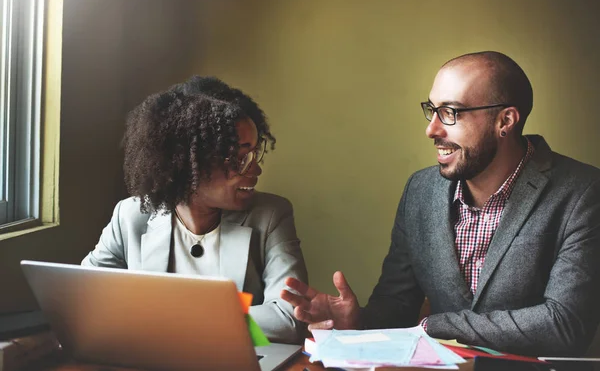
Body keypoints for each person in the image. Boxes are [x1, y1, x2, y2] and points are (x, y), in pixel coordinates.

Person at [281, 51, 600, 356]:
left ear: (505, 121)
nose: (431, 129)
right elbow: (395, 308)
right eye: (431, 110)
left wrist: (435, 326)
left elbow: (565, 325)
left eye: (451, 113)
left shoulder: (583, 192)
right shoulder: (420, 191)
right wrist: (358, 322)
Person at [82, 76, 308, 344]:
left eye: (254, 153)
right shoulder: (130, 217)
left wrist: (173, 319)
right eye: (238, 157)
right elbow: (84, 299)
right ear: (189, 163)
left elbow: (289, 320)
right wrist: (223, 319)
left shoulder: (270, 215)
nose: (255, 169)